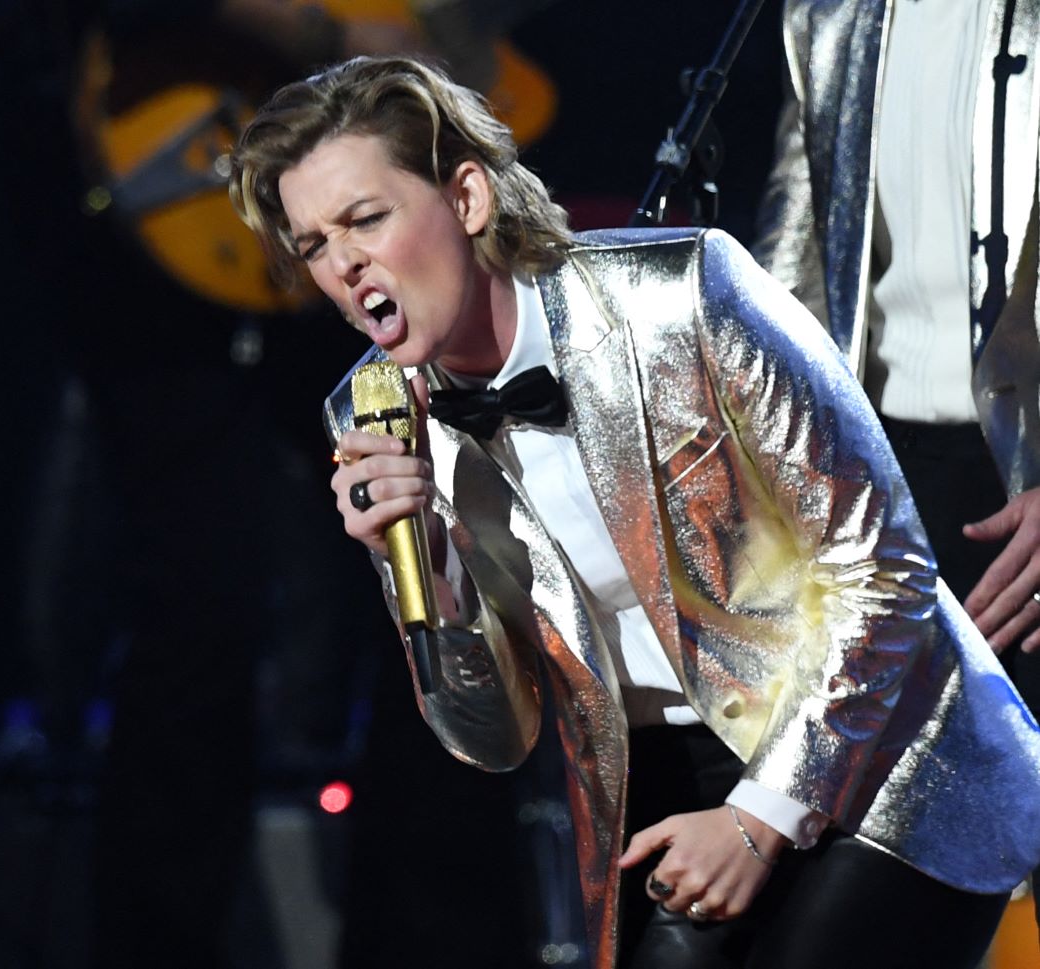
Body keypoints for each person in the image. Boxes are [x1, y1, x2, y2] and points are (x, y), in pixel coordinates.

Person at [229, 55, 1040, 969]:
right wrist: (427, 564)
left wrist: (757, 817)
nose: (344, 266)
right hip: (661, 780)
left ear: (466, 198)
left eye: (365, 219)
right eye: (313, 245)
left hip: (885, 751)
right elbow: (492, 738)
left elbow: (885, 578)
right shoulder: (375, 415)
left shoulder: (682, 297)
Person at [753, 0, 1040, 935]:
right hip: (878, 492)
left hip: (1024, 484)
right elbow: (792, 253)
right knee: (866, 899)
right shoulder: (833, 11)